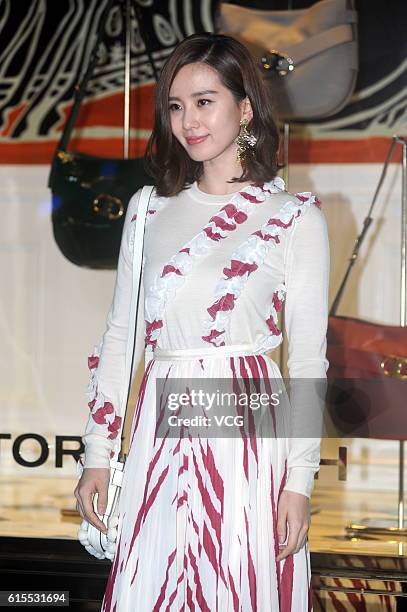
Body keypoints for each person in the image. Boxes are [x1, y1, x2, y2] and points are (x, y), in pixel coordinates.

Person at [74, 32, 329, 612]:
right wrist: (97, 453)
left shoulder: (293, 218)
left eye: (204, 101)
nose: (187, 120)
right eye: (175, 104)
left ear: (245, 109)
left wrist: (298, 483)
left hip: (248, 434)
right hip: (159, 428)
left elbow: (310, 359)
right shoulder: (148, 210)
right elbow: (121, 337)